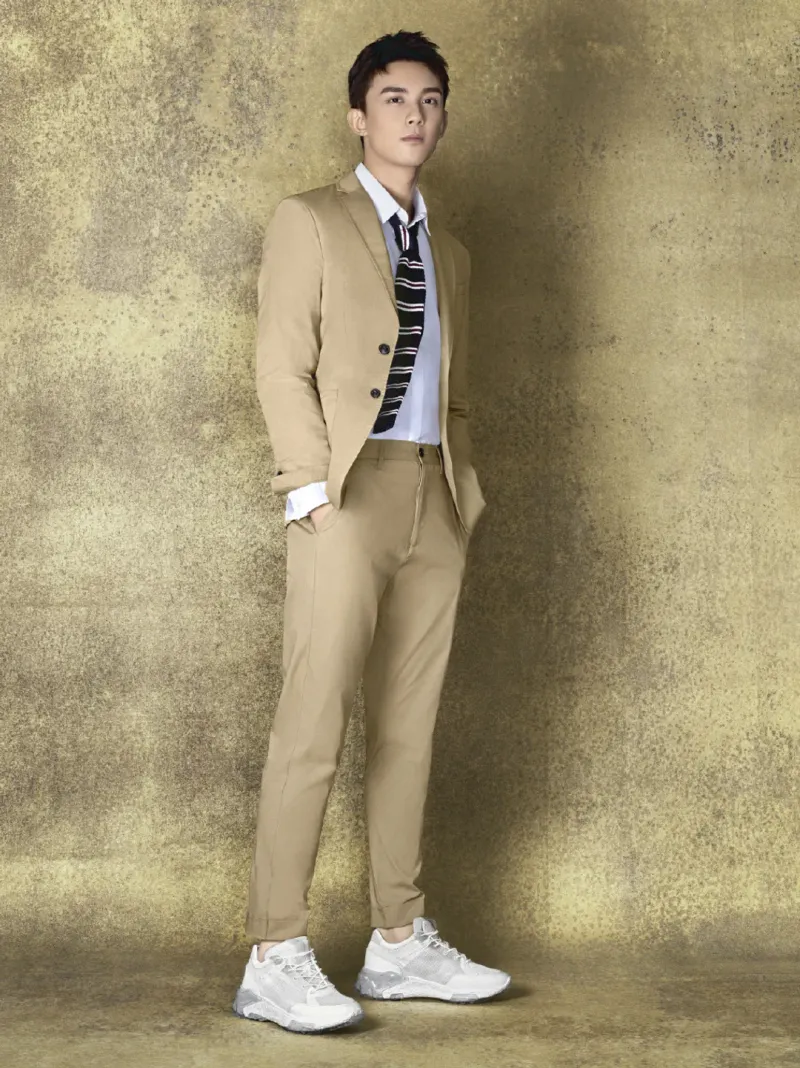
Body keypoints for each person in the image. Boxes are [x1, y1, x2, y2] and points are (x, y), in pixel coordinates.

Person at [232, 29, 509, 1034]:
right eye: (394, 98)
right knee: (314, 719)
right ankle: (273, 951)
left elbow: (454, 386)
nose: (413, 115)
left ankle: (397, 942)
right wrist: (308, 491)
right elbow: (281, 363)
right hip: (344, 496)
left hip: (434, 496)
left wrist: (461, 492)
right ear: (359, 116)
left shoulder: (450, 251)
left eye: (429, 100)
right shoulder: (310, 220)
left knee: (409, 728)